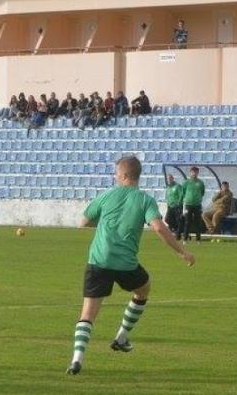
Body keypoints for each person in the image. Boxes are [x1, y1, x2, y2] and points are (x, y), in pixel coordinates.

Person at [67, 156, 195, 375]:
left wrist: (106, 220)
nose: (115, 177)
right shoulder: (145, 200)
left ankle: (77, 359)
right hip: (126, 263)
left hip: (98, 260)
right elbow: (159, 228)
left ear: (125, 175)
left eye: (117, 173)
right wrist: (182, 251)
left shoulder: (107, 195)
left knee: (87, 313)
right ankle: (122, 336)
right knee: (143, 289)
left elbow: (84, 222)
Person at [181, 166, 205, 241]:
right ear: (190, 173)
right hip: (188, 204)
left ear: (198, 173)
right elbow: (183, 192)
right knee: (187, 222)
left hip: (197, 205)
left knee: (198, 222)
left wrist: (197, 198)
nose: (194, 173)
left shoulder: (200, 182)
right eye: (193, 172)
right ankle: (185, 239)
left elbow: (202, 192)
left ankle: (198, 239)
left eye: (196, 172)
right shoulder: (186, 182)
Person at [164, 174, 184, 240]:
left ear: (173, 178)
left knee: (178, 221)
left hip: (177, 206)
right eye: (168, 179)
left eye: (170, 178)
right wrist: (168, 203)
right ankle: (175, 230)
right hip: (170, 206)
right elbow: (167, 196)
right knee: (167, 219)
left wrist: (179, 203)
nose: (169, 180)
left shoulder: (177, 186)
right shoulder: (168, 187)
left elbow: (181, 195)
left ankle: (178, 236)